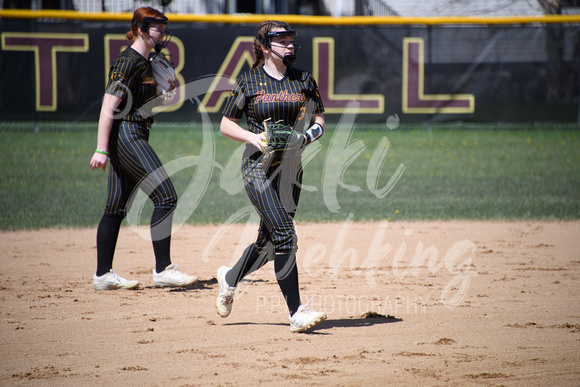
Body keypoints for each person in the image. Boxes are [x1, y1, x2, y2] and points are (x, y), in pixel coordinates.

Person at [216, 20, 327, 332]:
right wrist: (252, 138)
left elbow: (319, 120)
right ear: (265, 47)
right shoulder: (249, 82)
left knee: (268, 245)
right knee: (286, 237)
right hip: (258, 167)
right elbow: (226, 125)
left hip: (292, 168)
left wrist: (305, 137)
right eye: (282, 40)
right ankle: (296, 313)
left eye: (291, 39)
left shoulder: (304, 79)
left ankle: (230, 276)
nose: (290, 45)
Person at [89, 6, 197, 290]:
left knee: (115, 208)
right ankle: (163, 270)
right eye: (156, 27)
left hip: (134, 133)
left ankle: (103, 276)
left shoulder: (148, 61)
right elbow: (108, 106)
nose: (162, 32)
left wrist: (168, 92)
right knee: (166, 197)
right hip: (128, 135)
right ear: (139, 29)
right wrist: (101, 149)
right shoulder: (128, 61)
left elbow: (150, 104)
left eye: (163, 27)